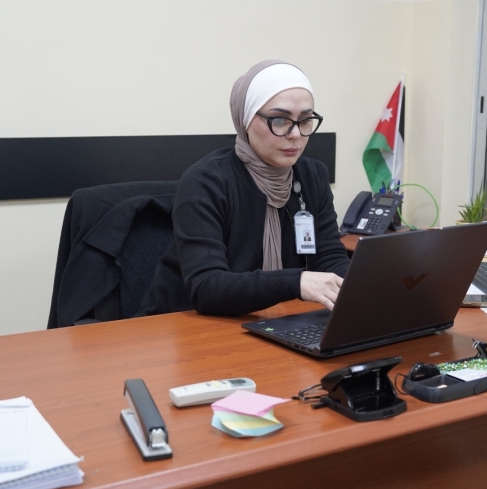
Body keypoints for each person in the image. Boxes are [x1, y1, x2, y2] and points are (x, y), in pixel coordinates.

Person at [137, 60, 351, 317]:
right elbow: (207, 288)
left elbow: (329, 258)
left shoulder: (312, 176)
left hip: (273, 319)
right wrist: (296, 281)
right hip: (186, 324)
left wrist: (365, 283)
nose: (295, 134)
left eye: (305, 120)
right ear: (246, 120)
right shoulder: (206, 181)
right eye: (280, 120)